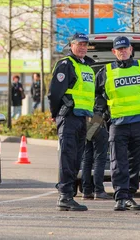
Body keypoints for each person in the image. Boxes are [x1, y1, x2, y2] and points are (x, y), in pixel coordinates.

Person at [94, 36, 140, 211]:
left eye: (125, 48)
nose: (122, 51)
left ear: (131, 49)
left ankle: (130, 195)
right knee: (118, 161)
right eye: (119, 49)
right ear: (114, 52)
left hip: (139, 123)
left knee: (136, 161)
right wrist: (93, 124)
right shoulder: (106, 72)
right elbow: (99, 99)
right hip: (117, 124)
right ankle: (121, 197)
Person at [48, 33, 96, 212]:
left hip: (81, 117)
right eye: (79, 44)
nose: (83, 47)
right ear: (71, 45)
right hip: (68, 116)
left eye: (85, 44)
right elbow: (54, 92)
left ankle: (67, 193)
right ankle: (65, 196)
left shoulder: (87, 67)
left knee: (76, 158)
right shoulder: (66, 65)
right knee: (68, 156)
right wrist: (55, 113)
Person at [81, 113, 111, 200]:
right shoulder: (101, 98)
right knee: (99, 158)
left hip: (87, 120)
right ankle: (99, 191)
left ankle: (86, 191)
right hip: (98, 119)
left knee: (87, 158)